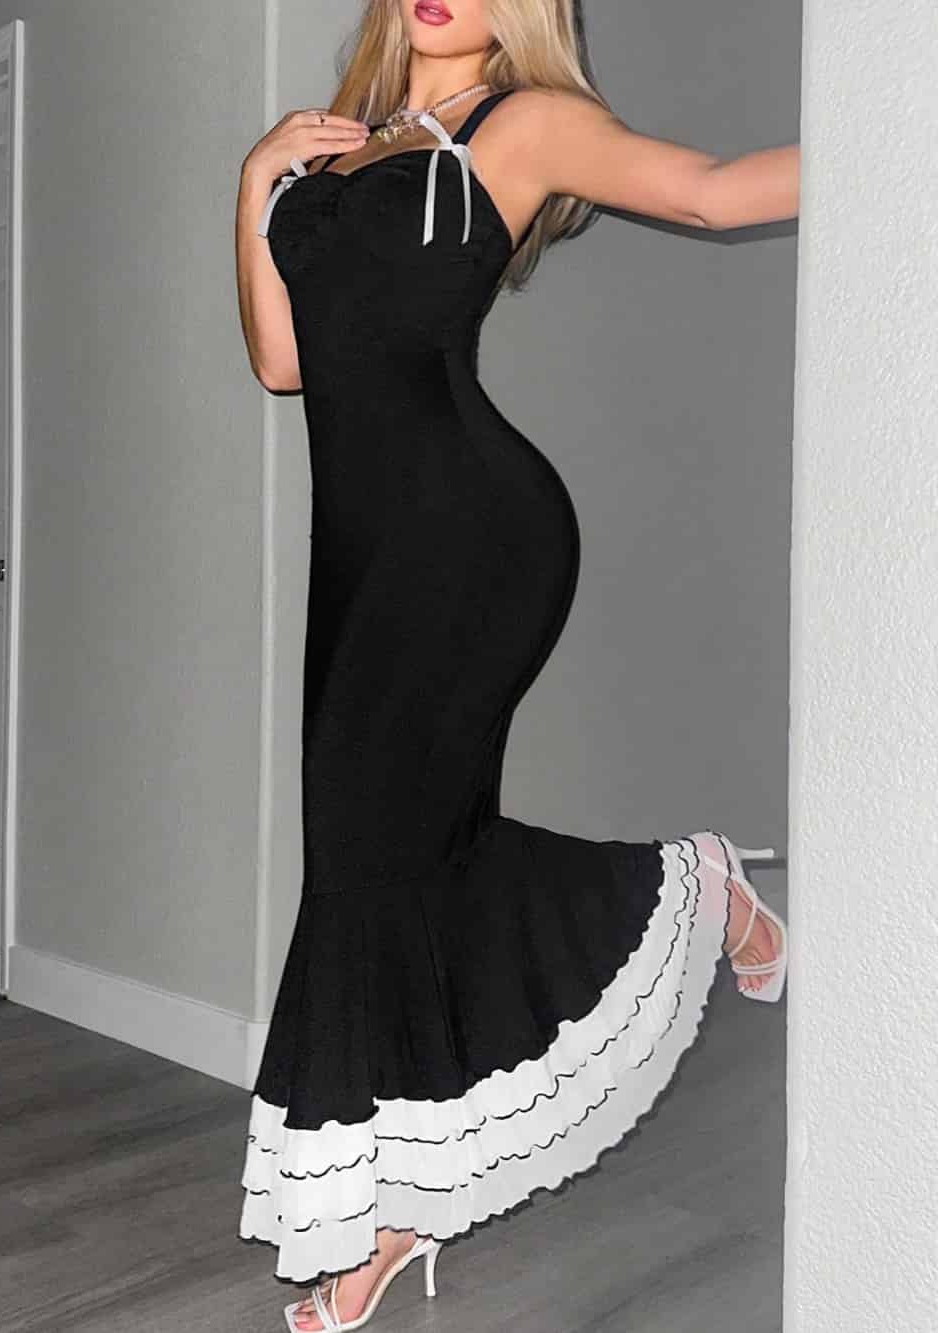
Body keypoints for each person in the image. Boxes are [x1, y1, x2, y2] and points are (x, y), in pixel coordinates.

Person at [234, 2, 798, 1329]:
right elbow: (281, 362)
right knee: (392, 858)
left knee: (368, 860)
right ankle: (414, 1186)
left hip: (470, 532)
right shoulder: (347, 145)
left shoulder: (522, 122)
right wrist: (254, 183)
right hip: (361, 551)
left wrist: (897, 134)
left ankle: (383, 1220)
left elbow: (714, 193)